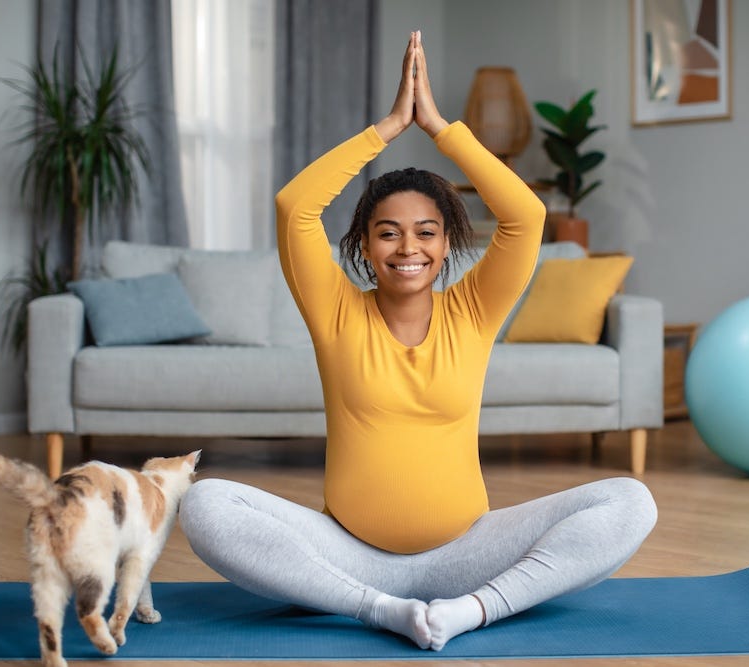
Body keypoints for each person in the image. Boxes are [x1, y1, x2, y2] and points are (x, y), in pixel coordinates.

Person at [179, 30, 657, 651]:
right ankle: (377, 610)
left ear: (447, 244)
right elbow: (296, 205)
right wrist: (386, 129)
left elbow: (525, 216)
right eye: (388, 233)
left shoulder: (476, 309)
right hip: (346, 556)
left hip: (468, 555)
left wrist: (438, 127)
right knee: (205, 503)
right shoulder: (334, 311)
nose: (409, 249)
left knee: (631, 502)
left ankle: (474, 611)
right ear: (362, 245)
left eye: (426, 233)